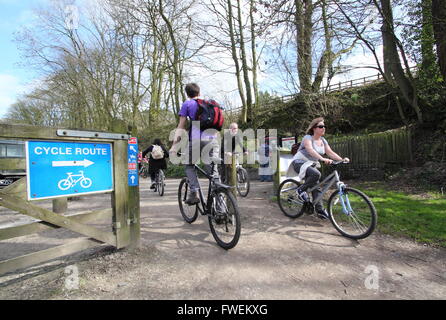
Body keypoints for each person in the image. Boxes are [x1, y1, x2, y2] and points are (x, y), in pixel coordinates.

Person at [169, 83, 220, 204]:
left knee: (189, 165)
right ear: (199, 92)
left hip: (196, 139)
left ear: (187, 93)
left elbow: (181, 126)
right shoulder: (210, 103)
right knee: (213, 173)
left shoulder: (187, 104)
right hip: (213, 138)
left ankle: (194, 192)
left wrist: (174, 146)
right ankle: (220, 205)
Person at [292, 117, 349, 220]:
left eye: (324, 126)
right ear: (314, 128)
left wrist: (341, 159)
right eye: (321, 126)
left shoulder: (323, 140)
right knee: (316, 174)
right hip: (299, 163)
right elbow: (310, 150)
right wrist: (322, 159)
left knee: (317, 186)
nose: (323, 128)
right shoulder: (307, 138)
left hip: (310, 164)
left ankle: (320, 210)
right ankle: (300, 190)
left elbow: (330, 152)